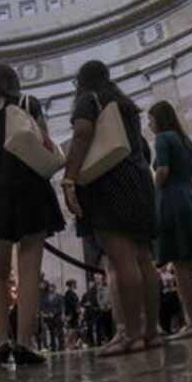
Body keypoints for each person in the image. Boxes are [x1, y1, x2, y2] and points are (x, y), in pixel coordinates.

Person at [60, 60, 158, 355]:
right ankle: (152, 332)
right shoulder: (125, 105)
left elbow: (82, 132)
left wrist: (69, 178)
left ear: (81, 81)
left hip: (108, 182)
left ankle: (131, 334)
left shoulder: (87, 99)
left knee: (121, 257)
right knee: (143, 258)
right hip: (139, 179)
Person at [0, 63, 64, 366]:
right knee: (28, 269)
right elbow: (45, 144)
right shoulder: (29, 104)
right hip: (30, 191)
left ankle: (0, 341)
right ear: (14, 81)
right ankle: (24, 342)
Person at [146, 99, 192, 337]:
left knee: (180, 265)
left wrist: (154, 190)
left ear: (159, 119)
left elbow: (163, 171)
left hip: (173, 201)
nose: (149, 124)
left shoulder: (163, 139)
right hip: (191, 198)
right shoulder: (187, 141)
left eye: (150, 119)